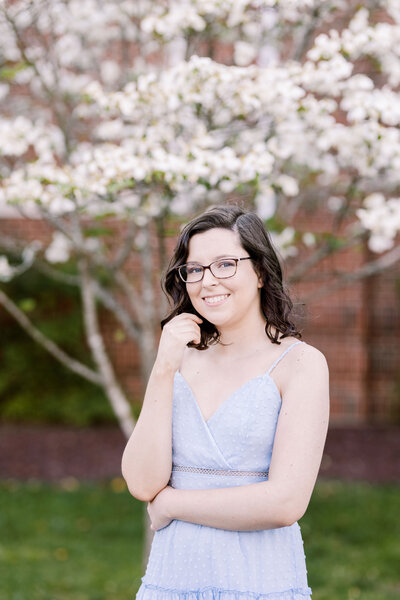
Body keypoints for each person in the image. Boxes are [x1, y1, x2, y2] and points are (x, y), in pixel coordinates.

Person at [122, 204, 330, 600]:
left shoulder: (300, 364)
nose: (207, 281)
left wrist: (172, 504)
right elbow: (140, 481)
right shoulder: (178, 359)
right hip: (171, 582)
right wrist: (164, 366)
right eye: (195, 269)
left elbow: (285, 502)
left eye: (225, 264)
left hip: (260, 582)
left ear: (261, 273)